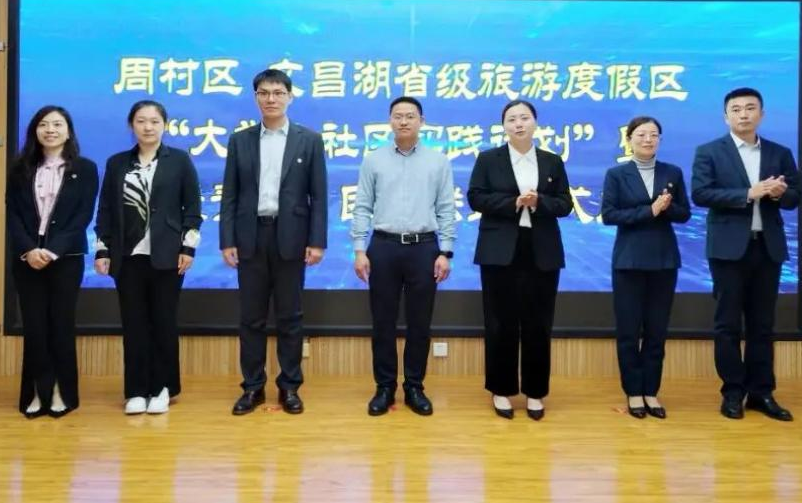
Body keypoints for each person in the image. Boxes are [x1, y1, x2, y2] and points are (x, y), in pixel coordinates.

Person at [220, 69, 327, 416]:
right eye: (264, 93)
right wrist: (227, 240)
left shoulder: (309, 140)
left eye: (278, 93)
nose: (271, 99)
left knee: (290, 317)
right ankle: (253, 388)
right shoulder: (240, 140)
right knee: (250, 318)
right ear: (255, 98)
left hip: (291, 237)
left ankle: (289, 386)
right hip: (250, 236)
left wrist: (317, 241)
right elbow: (230, 195)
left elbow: (319, 196)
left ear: (290, 97)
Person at [691, 87, 801, 422]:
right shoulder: (710, 151)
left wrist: (780, 193)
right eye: (736, 109)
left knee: (762, 325)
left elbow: (796, 196)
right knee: (727, 324)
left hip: (767, 248)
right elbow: (701, 193)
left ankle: (762, 392)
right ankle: (732, 392)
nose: (743, 114)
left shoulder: (779, 153)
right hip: (728, 250)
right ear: (726, 117)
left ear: (761, 114)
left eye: (750, 108)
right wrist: (748, 193)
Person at [467, 99, 572, 421]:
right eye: (512, 119)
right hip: (499, 251)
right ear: (504, 126)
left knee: (538, 324)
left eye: (524, 118)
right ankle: (501, 389)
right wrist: (513, 202)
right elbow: (476, 197)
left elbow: (565, 203)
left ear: (535, 123)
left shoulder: (552, 161)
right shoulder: (488, 159)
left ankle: (535, 392)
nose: (518, 124)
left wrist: (539, 202)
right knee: (500, 323)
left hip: (541, 250)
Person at [94, 100, 202, 415]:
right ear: (132, 125)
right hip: (127, 257)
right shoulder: (117, 163)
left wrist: (188, 248)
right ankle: (136, 391)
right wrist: (102, 249)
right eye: (141, 121)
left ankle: (163, 387)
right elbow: (106, 209)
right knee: (134, 324)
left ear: (164, 125)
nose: (148, 127)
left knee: (164, 322)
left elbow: (192, 209)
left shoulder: (179, 161)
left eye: (154, 121)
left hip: (168, 256)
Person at [351, 96, 457, 417]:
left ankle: (414, 386)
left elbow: (446, 208)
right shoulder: (373, 160)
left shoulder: (438, 161)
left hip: (424, 248)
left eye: (410, 116)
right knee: (382, 322)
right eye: (398, 116)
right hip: (383, 247)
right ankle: (384, 387)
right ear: (390, 121)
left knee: (419, 323)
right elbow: (362, 206)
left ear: (421, 121)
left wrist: (446, 251)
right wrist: (359, 249)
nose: (404, 121)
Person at [6, 105, 98, 419]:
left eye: (58, 124)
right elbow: (13, 214)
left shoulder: (85, 169)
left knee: (60, 325)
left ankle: (61, 392)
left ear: (68, 131)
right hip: (26, 258)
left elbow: (82, 216)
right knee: (34, 327)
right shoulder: (20, 168)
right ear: (35, 130)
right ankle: (35, 392)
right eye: (44, 124)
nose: (50, 130)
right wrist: (29, 250)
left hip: (66, 258)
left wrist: (53, 251)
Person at [600, 115, 690, 420]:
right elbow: (609, 215)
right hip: (628, 261)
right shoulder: (616, 174)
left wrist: (667, 208)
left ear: (660, 140)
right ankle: (633, 392)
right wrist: (649, 210)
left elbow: (684, 213)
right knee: (628, 331)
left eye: (653, 135)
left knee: (656, 330)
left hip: (664, 260)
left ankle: (651, 390)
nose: (648, 139)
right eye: (641, 134)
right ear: (629, 140)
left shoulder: (672, 172)